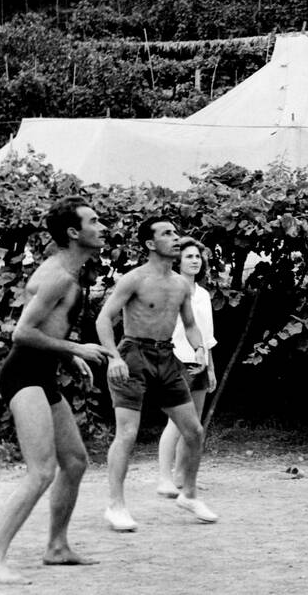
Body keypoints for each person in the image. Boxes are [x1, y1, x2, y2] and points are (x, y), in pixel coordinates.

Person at [0, 196, 111, 585]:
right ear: (73, 233)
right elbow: (22, 333)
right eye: (94, 221)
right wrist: (76, 349)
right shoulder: (59, 277)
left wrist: (67, 357)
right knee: (41, 471)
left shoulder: (69, 273)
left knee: (75, 461)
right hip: (23, 375)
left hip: (42, 374)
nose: (102, 227)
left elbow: (47, 329)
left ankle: (56, 547)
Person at [95, 217, 218, 530]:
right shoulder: (134, 279)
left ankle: (188, 494)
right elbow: (104, 319)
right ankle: (115, 505)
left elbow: (190, 325)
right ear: (150, 244)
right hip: (133, 355)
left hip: (167, 356)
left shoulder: (180, 284)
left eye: (176, 232)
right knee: (127, 433)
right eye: (167, 233)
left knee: (194, 431)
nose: (175, 238)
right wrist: (113, 358)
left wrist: (200, 349)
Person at [156, 237, 218, 498]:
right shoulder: (169, 289)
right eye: (189, 256)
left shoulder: (203, 294)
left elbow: (206, 336)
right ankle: (164, 479)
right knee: (176, 422)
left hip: (199, 363)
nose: (195, 261)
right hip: (175, 360)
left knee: (193, 425)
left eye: (197, 257)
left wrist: (210, 368)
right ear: (177, 261)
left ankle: (183, 476)